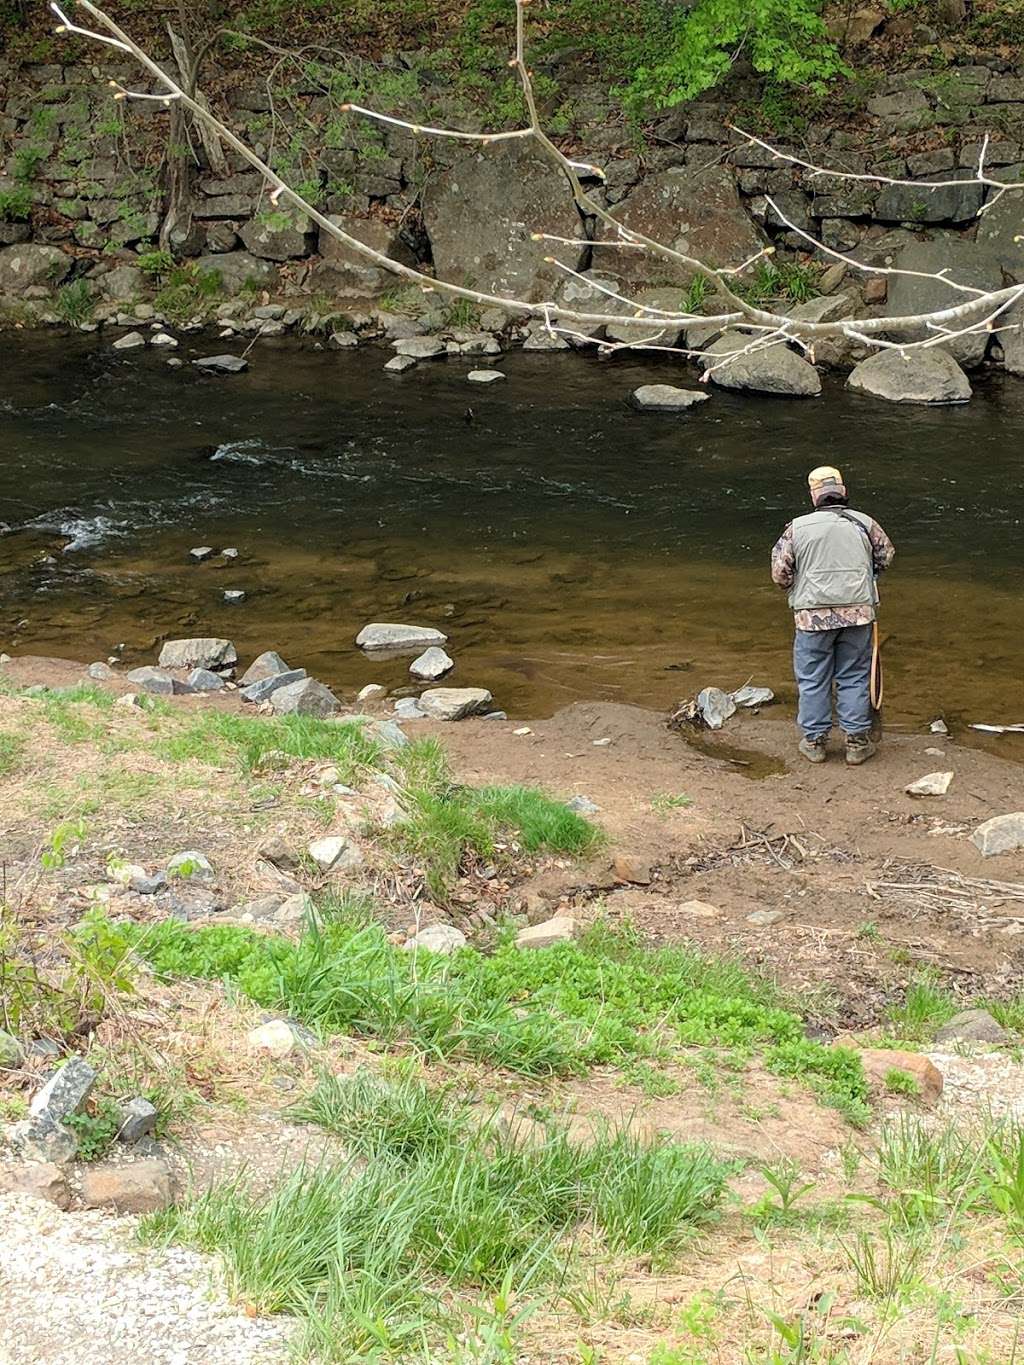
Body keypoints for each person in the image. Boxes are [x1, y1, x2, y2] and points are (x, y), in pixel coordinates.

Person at [771, 466, 895, 766]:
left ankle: (814, 742)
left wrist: (798, 586)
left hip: (811, 617)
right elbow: (886, 556)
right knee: (854, 675)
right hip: (858, 614)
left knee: (813, 677)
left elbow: (780, 574)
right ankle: (856, 743)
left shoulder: (796, 528)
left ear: (813, 495)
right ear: (843, 491)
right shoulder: (865, 523)